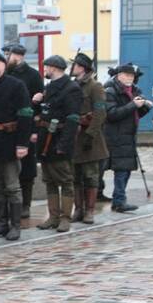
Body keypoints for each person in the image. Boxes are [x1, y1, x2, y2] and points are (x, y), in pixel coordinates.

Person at [0, 50, 32, 241]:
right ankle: (1, 224)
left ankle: (15, 225)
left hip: (9, 141)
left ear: (2, 65)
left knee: (12, 186)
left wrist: (22, 144)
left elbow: (25, 115)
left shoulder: (16, 86)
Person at [33, 55, 82, 233]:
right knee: (49, 180)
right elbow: (44, 112)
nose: (45, 71)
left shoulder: (71, 88)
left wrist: (64, 144)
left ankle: (65, 218)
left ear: (53, 68)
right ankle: (53, 217)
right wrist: (36, 102)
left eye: (46, 67)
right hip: (45, 137)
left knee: (65, 180)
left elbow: (72, 119)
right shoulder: (49, 88)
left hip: (60, 139)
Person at [103, 63, 151, 213]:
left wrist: (144, 107)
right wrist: (133, 105)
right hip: (114, 136)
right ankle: (117, 200)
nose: (130, 78)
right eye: (127, 75)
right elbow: (111, 114)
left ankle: (119, 199)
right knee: (117, 169)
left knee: (125, 169)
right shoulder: (110, 91)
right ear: (119, 75)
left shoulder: (134, 90)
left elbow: (133, 114)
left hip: (128, 135)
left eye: (132, 76)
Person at [4, 42, 44, 220]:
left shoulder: (33, 75)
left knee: (27, 169)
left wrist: (34, 130)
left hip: (27, 126)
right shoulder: (5, 72)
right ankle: (9, 205)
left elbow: (38, 106)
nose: (6, 57)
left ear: (18, 56)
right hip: (8, 127)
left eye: (8, 54)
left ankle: (25, 205)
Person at [70, 53, 108, 224]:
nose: (72, 68)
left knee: (90, 176)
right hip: (74, 137)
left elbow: (100, 113)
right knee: (75, 176)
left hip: (89, 139)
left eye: (75, 65)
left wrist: (90, 134)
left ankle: (90, 211)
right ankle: (78, 209)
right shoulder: (72, 86)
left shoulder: (95, 87)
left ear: (82, 68)